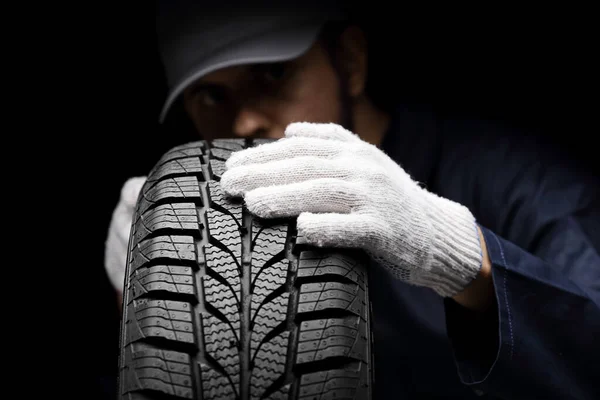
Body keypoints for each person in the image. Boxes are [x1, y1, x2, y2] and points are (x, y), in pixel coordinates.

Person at [105, 1, 600, 399]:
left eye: (272, 75)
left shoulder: (521, 182)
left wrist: (462, 258)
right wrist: (155, 308)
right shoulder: (206, 225)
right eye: (212, 97)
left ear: (349, 61)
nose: (243, 123)